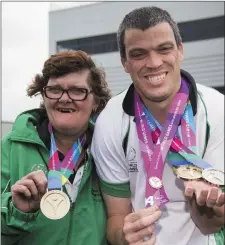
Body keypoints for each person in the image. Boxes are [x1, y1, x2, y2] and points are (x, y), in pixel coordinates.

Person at [91, 6, 225, 245]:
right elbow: (116, 216)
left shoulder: (217, 109)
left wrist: (208, 207)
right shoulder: (110, 121)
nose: (154, 63)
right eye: (139, 54)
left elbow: (209, 225)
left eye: (164, 49)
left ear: (180, 50)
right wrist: (124, 236)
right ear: (124, 62)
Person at [1, 50, 111, 245]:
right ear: (43, 96)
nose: (65, 98)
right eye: (55, 89)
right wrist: (16, 211)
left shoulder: (111, 150)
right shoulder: (10, 147)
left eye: (78, 90)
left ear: (96, 101)